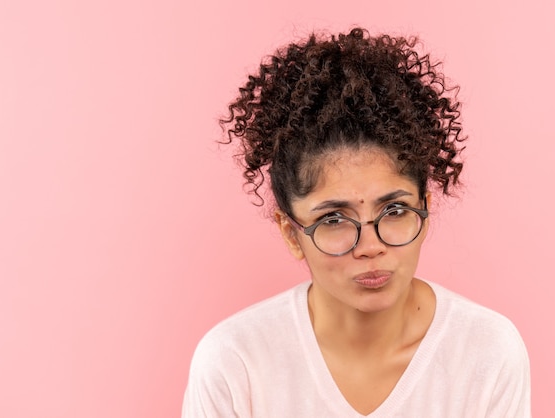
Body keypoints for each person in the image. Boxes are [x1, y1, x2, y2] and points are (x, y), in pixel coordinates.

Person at [182, 28, 531, 417]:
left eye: (395, 212)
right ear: (291, 233)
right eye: (333, 219)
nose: (370, 247)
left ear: (426, 209)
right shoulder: (235, 363)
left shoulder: (487, 352)